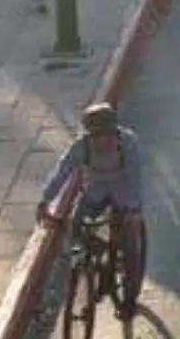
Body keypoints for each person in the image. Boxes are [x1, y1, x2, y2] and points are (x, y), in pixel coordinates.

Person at [37, 103, 146, 320]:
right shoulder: (81, 147)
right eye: (97, 136)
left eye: (107, 135)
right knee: (76, 230)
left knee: (130, 246)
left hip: (123, 190)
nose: (103, 142)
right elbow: (62, 172)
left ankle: (129, 300)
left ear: (115, 131)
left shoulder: (128, 143)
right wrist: (45, 200)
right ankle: (93, 259)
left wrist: (134, 210)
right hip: (96, 189)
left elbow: (136, 178)